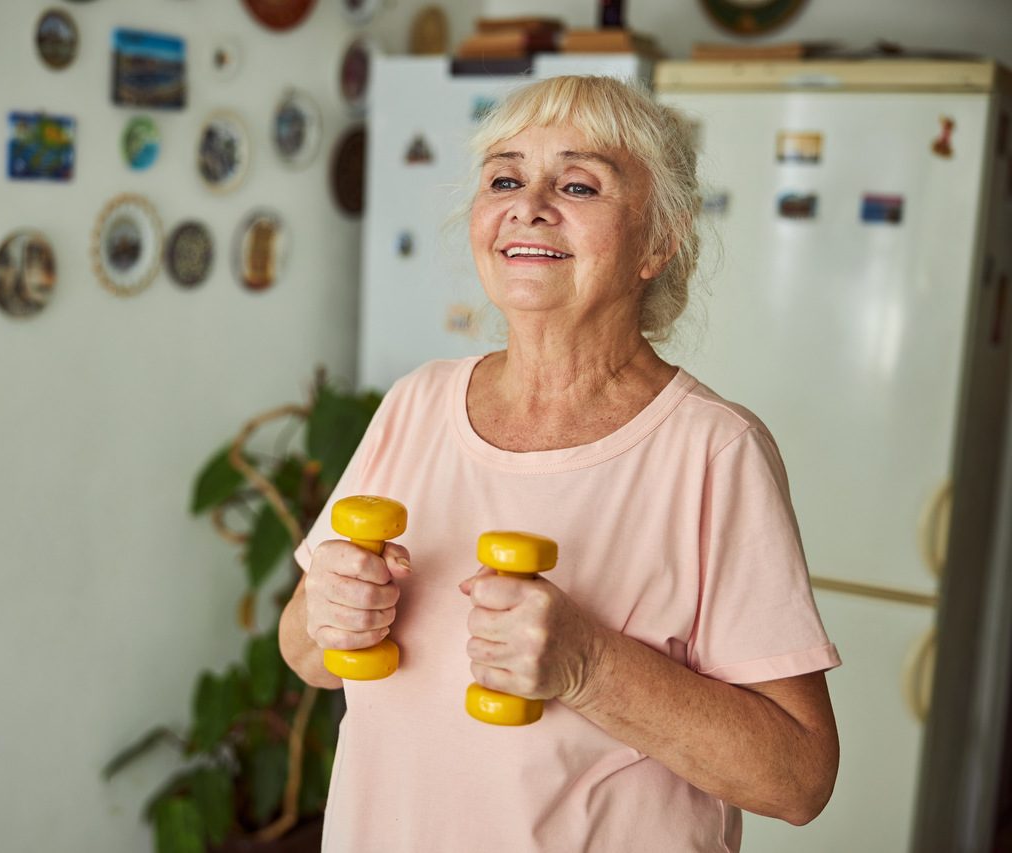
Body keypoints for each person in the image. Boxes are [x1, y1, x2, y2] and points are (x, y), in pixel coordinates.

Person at [279, 75, 840, 852]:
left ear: (659, 241)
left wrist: (589, 665)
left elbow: (799, 779)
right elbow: (307, 653)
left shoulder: (714, 450)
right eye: (504, 179)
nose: (529, 205)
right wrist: (328, 610)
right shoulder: (418, 401)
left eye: (579, 184)